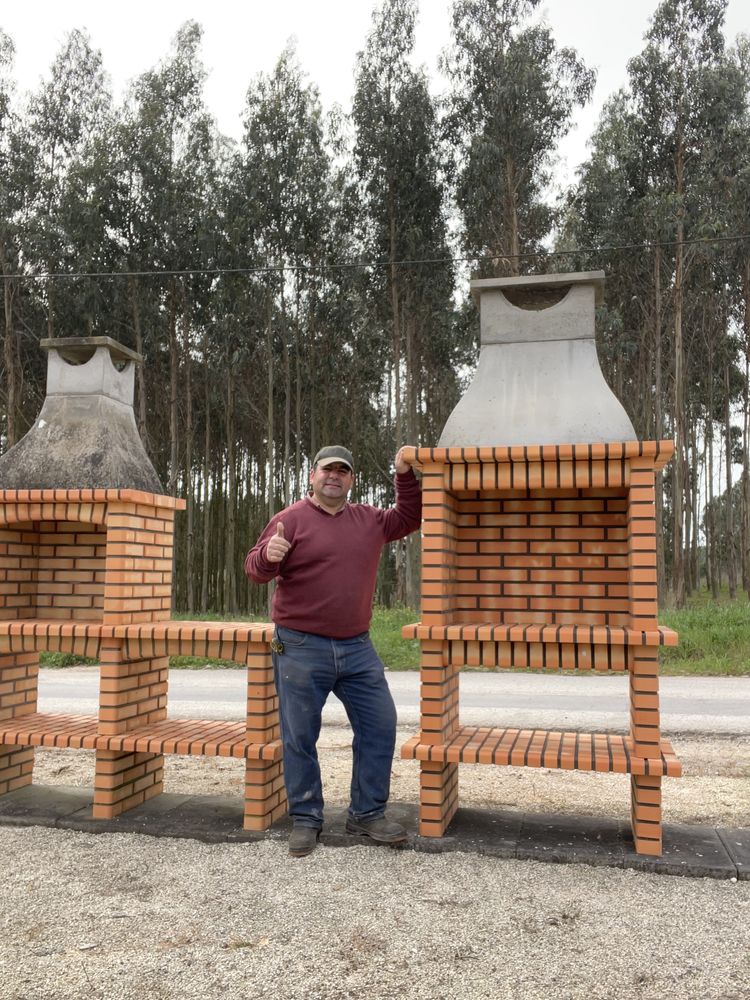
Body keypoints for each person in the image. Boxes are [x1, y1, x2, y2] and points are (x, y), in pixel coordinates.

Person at [244, 444, 421, 857]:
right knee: (300, 736)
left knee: (380, 725)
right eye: (327, 470)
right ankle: (306, 818)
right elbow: (253, 569)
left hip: (358, 647)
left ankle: (366, 813)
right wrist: (268, 558)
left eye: (342, 471)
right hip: (301, 647)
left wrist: (403, 474)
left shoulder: (369, 520)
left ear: (351, 480)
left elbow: (411, 516)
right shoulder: (288, 520)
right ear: (312, 476)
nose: (334, 477)